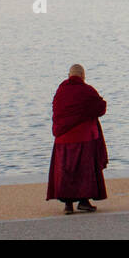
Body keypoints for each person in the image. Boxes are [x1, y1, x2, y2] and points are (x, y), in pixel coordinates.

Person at [46, 64, 109, 214]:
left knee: (65, 171)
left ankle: (68, 205)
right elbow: (100, 108)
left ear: (69, 75)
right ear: (82, 76)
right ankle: (83, 201)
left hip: (62, 139)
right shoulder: (87, 90)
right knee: (84, 171)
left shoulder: (60, 91)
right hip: (83, 137)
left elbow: (57, 112)